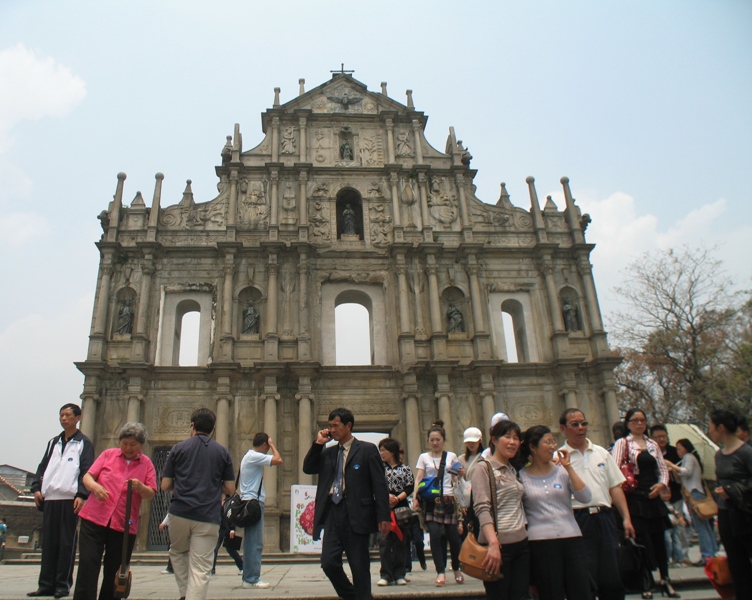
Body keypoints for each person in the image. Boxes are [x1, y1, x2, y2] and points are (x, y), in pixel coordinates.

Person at [302, 407, 390, 600]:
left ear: (348, 425)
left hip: (357, 514)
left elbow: (379, 485)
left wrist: (383, 515)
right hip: (333, 512)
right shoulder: (328, 453)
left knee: (359, 566)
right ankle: (353, 597)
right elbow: (308, 468)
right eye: (329, 426)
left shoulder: (367, 450)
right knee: (328, 563)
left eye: (336, 425)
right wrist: (318, 444)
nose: (332, 430)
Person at [73, 423, 157, 600]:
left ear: (141, 444)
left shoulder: (146, 464)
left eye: (133, 444)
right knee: (88, 564)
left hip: (123, 525)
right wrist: (95, 487)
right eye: (124, 443)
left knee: (115, 570)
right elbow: (88, 476)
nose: (128, 448)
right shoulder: (108, 455)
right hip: (94, 518)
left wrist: (141, 487)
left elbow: (151, 493)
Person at [559, 408, 635, 600]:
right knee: (584, 575)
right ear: (563, 428)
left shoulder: (601, 453)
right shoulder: (558, 458)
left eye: (583, 423)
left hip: (604, 517)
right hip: (577, 520)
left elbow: (615, 488)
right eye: (574, 424)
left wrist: (626, 517)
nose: (581, 428)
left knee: (611, 574)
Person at [160, 408, 235, 600]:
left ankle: (185, 595)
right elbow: (230, 489)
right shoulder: (222, 452)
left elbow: (165, 484)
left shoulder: (178, 448)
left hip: (179, 512)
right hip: (208, 516)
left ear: (192, 425)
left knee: (178, 552)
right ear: (212, 429)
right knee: (201, 567)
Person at [518, 425, 592, 600]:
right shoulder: (521, 477)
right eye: (548, 442)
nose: (553, 446)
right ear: (533, 447)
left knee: (581, 591)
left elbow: (585, 497)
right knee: (551, 593)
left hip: (571, 538)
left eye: (553, 442)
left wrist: (569, 468)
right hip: (540, 543)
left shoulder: (562, 471)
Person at [29, 403, 95, 599]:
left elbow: (87, 470)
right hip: (50, 498)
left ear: (78, 417)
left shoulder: (84, 443)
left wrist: (82, 494)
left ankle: (62, 584)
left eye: (67, 415)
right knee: (48, 542)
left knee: (66, 542)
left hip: (69, 498)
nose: (63, 418)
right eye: (61, 415)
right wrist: (36, 488)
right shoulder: (53, 443)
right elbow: (42, 468)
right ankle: (45, 584)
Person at [612, 409, 678, 599]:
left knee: (660, 540)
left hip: (653, 494)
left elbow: (663, 468)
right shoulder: (623, 443)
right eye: (635, 420)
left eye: (642, 420)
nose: (640, 423)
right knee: (641, 541)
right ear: (628, 423)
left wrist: (662, 484)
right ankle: (646, 581)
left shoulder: (652, 444)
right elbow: (616, 469)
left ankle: (665, 579)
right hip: (635, 495)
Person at [471, 418, 529, 599]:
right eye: (507, 437)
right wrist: (493, 544)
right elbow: (482, 507)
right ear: (494, 440)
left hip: (521, 543)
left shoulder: (512, 469)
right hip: (498, 546)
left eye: (516, 438)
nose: (512, 442)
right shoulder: (483, 468)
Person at [708, 408, 752, 599]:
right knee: (736, 564)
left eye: (711, 427)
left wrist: (733, 491)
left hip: (745, 514)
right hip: (726, 514)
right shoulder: (719, 454)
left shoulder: (746, 452)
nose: (710, 431)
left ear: (721, 427)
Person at [412, 420, 463, 587]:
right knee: (434, 535)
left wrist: (460, 473)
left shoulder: (452, 456)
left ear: (443, 440)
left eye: (438, 440)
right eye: (432, 440)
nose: (435, 443)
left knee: (454, 539)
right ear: (428, 441)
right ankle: (440, 571)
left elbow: (455, 478)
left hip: (448, 499)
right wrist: (415, 497)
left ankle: (456, 567)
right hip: (430, 502)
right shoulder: (423, 457)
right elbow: (419, 477)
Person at [238, 432, 283, 589]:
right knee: (255, 542)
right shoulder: (254, 456)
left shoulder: (249, 456)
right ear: (264, 445)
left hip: (250, 502)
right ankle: (251, 578)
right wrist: (272, 445)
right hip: (254, 504)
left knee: (252, 541)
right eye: (267, 446)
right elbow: (278, 460)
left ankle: (249, 576)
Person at [664, 438, 718, 562]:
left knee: (700, 526)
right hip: (694, 492)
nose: (678, 451)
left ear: (686, 448)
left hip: (694, 493)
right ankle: (712, 551)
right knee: (705, 525)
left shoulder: (689, 457)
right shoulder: (687, 459)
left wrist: (672, 465)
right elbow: (681, 478)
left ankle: (707, 555)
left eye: (679, 449)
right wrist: (674, 470)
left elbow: (687, 472)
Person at [376, 437, 414, 587]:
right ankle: (385, 574)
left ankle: (399, 573)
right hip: (384, 508)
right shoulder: (379, 468)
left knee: (400, 541)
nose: (381, 453)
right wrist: (386, 496)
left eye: (383, 450)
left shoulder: (405, 469)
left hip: (400, 508)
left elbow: (410, 486)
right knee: (384, 541)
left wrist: (397, 498)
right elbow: (374, 485)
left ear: (392, 451)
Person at [650, 424, 689, 567]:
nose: (661, 439)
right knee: (665, 531)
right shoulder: (649, 454)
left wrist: (672, 467)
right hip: (659, 496)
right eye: (657, 437)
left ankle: (682, 556)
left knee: (679, 528)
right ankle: (667, 557)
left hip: (675, 494)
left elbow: (683, 473)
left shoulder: (674, 452)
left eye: (663, 436)